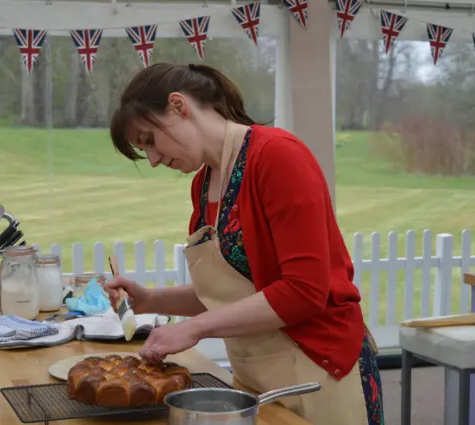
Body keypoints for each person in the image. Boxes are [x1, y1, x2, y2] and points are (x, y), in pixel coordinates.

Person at [104, 63, 385, 425]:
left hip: (320, 371)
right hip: (255, 376)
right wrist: (152, 299)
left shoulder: (278, 157)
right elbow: (236, 292)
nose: (154, 161)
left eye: (149, 141)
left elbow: (304, 291)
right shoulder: (204, 183)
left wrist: (192, 329)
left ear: (179, 106)